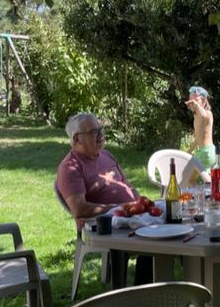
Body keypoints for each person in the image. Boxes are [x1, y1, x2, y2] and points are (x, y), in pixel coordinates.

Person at [55, 112, 153, 285]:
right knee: (153, 238)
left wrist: (139, 202)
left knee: (174, 224)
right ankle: (142, 293)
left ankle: (164, 287)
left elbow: (127, 185)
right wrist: (118, 208)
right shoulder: (70, 167)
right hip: (105, 224)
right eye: (94, 132)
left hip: (131, 214)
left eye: (101, 129)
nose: (101, 135)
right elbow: (79, 209)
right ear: (77, 139)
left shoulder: (106, 155)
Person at [185, 85, 216, 170]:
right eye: (190, 101)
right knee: (205, 177)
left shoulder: (208, 114)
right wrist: (188, 151)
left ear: (204, 101)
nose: (192, 103)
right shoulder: (196, 118)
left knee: (187, 175)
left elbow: (203, 115)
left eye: (196, 100)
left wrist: (196, 105)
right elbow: (197, 139)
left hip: (206, 152)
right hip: (203, 152)